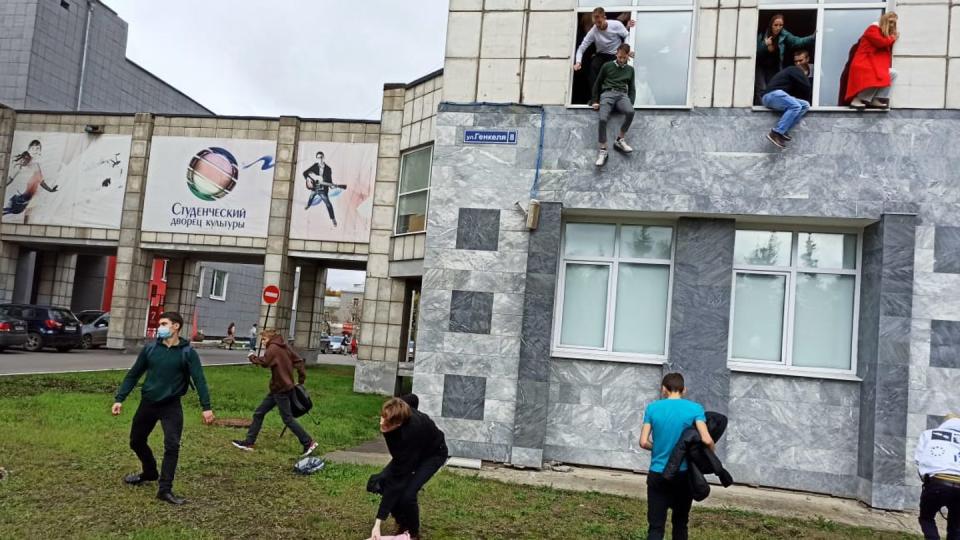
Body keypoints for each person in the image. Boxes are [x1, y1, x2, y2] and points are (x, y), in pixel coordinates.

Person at [112, 311, 214, 505]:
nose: (160, 327)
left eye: (164, 323)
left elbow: (199, 379)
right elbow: (134, 374)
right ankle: (149, 471)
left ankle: (165, 490)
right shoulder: (150, 350)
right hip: (148, 403)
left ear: (176, 327)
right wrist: (120, 398)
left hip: (171, 405)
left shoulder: (188, 353)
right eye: (160, 324)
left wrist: (206, 407)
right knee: (136, 441)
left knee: (172, 445)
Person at [640, 373, 715, 540]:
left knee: (656, 527)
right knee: (680, 523)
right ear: (684, 390)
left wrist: (658, 447)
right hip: (683, 475)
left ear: (664, 389)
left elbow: (643, 442)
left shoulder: (652, 408)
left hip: (658, 473)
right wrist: (709, 454)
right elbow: (707, 439)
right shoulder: (695, 409)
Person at [232, 327, 318, 456]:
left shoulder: (272, 348)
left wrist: (252, 357)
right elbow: (299, 362)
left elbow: (265, 362)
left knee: (287, 419)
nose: (262, 342)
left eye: (264, 339)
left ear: (270, 338)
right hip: (281, 387)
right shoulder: (285, 346)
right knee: (259, 413)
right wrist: (301, 379)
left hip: (280, 389)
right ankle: (249, 442)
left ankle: (308, 442)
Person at [370, 398, 448, 540]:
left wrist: (378, 523)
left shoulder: (409, 435)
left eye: (387, 424)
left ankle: (413, 533)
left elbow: (396, 482)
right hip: (413, 451)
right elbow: (412, 398)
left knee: (407, 495)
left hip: (433, 454)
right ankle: (402, 522)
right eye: (382, 417)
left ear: (398, 423)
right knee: (378, 482)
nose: (381, 423)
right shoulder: (399, 408)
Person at [573, 7, 634, 104]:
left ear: (604, 18)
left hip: (615, 54)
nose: (598, 26)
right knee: (593, 66)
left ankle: (613, 98)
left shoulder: (616, 25)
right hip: (601, 54)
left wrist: (627, 50)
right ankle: (595, 99)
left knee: (612, 70)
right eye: (595, 24)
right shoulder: (594, 31)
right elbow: (581, 48)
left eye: (599, 23)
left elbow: (626, 35)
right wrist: (578, 62)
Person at [915, 413, 960, 539]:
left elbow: (919, 460)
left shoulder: (929, 434)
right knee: (956, 526)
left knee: (927, 518)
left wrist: (926, 480)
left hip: (937, 483)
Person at [592, 43, 636, 167]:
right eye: (619, 56)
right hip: (607, 94)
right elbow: (598, 82)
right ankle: (603, 150)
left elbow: (632, 88)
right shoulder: (607, 66)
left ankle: (620, 139)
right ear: (616, 54)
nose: (621, 59)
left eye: (623, 57)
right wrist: (595, 100)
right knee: (602, 119)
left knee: (630, 112)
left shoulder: (630, 70)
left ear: (628, 56)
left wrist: (630, 102)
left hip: (622, 95)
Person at [755, 14, 815, 103]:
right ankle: (760, 110)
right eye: (776, 25)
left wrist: (812, 37)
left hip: (773, 67)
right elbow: (753, 52)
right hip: (761, 65)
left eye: (781, 25)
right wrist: (765, 45)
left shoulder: (784, 34)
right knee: (761, 88)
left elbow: (797, 41)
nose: (778, 28)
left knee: (772, 88)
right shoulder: (763, 34)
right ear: (771, 25)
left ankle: (770, 108)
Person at [845, 12, 899, 110]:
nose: (892, 25)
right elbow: (881, 43)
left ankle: (875, 98)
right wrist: (892, 38)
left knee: (893, 73)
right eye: (891, 22)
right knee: (877, 76)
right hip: (864, 62)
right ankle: (857, 99)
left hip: (871, 63)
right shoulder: (872, 29)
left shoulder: (881, 32)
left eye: (894, 23)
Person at [761, 49, 812, 149]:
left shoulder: (798, 73)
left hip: (778, 96)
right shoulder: (795, 70)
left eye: (800, 61)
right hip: (771, 95)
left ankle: (783, 130)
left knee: (805, 105)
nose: (798, 63)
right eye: (796, 61)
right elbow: (806, 87)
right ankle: (776, 132)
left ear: (807, 60)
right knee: (795, 106)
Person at [3, 140, 59, 217]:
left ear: (40, 151)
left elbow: (41, 182)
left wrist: (50, 190)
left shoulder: (36, 165)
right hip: (19, 197)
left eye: (37, 148)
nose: (35, 150)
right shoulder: (23, 161)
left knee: (26, 214)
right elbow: (10, 178)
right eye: (33, 148)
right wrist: (2, 186)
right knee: (10, 211)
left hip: (28, 199)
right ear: (29, 149)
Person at [303, 151, 347, 227]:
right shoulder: (314, 166)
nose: (319, 159)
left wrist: (332, 185)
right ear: (316, 159)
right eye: (318, 157)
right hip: (314, 187)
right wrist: (309, 179)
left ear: (323, 158)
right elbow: (305, 173)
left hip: (322, 190)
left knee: (328, 204)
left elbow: (329, 181)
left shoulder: (328, 169)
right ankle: (308, 205)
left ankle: (333, 219)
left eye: (321, 157)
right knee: (311, 197)